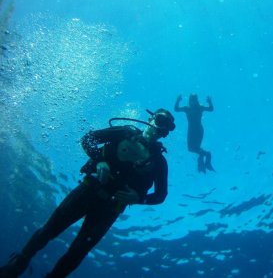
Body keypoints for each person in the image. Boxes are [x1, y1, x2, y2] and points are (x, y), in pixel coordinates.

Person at [0, 108, 175, 278]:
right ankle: (16, 266)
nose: (160, 130)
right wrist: (99, 161)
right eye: (159, 121)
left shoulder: (159, 163)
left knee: (79, 251)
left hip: (110, 209)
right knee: (49, 230)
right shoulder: (123, 132)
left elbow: (161, 196)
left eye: (166, 129)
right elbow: (88, 138)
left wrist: (139, 199)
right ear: (151, 119)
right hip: (88, 190)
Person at [174, 94, 215, 173]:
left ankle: (206, 155)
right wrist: (177, 101)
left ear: (196, 100)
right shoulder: (187, 108)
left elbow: (211, 109)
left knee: (195, 147)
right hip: (190, 131)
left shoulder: (200, 107)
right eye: (191, 100)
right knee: (191, 149)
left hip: (198, 130)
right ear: (190, 100)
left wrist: (210, 102)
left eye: (194, 100)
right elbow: (176, 109)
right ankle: (203, 155)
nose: (193, 101)